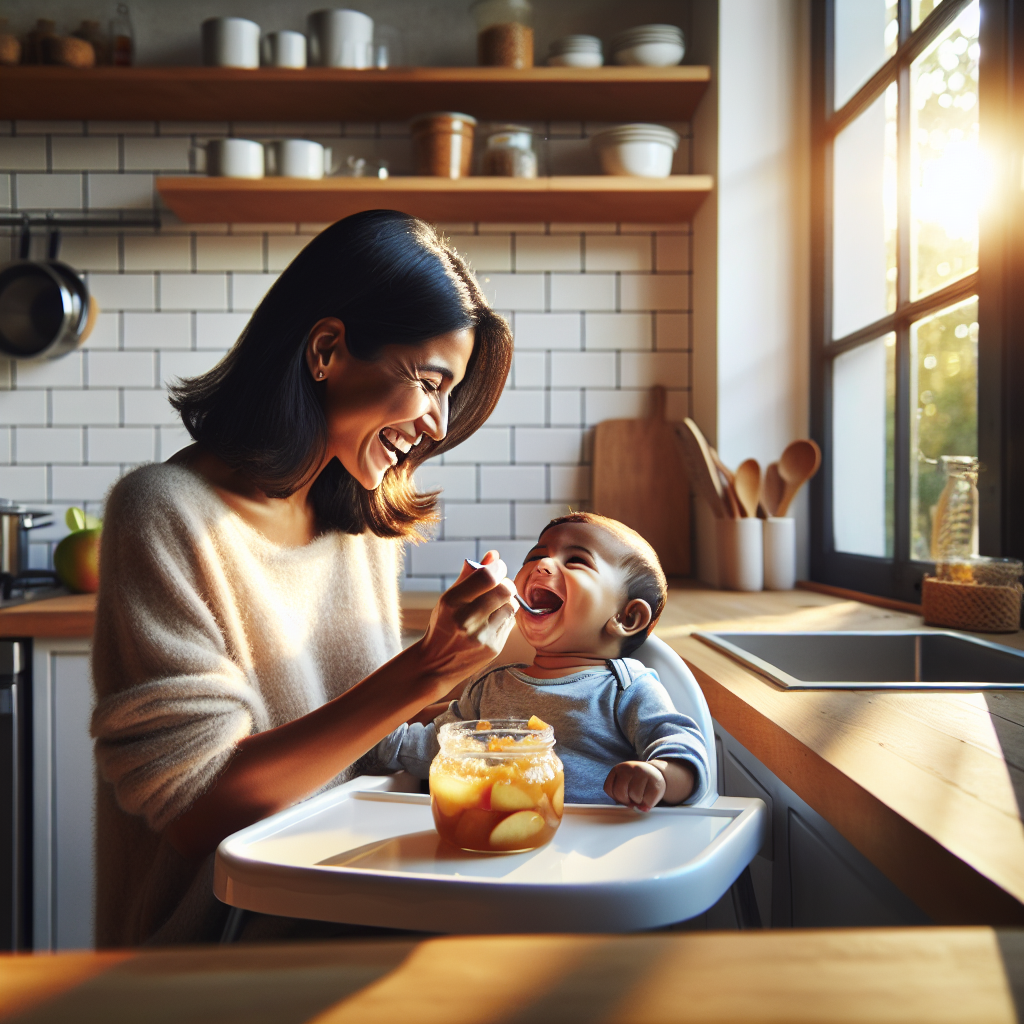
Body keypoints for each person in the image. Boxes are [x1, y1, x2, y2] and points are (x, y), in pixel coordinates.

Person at [90, 210, 517, 946]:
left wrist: (485, 687)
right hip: (217, 955)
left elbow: (367, 742)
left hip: (355, 905)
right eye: (430, 382)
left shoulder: (361, 524)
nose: (439, 425)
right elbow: (203, 811)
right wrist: (426, 669)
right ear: (327, 350)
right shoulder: (164, 514)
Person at [374, 512, 711, 811]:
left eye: (576, 560)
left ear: (627, 616)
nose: (542, 565)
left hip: (595, 857)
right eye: (536, 555)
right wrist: (372, 737)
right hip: (493, 841)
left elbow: (682, 748)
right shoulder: (490, 685)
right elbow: (439, 747)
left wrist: (659, 775)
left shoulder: (627, 688)